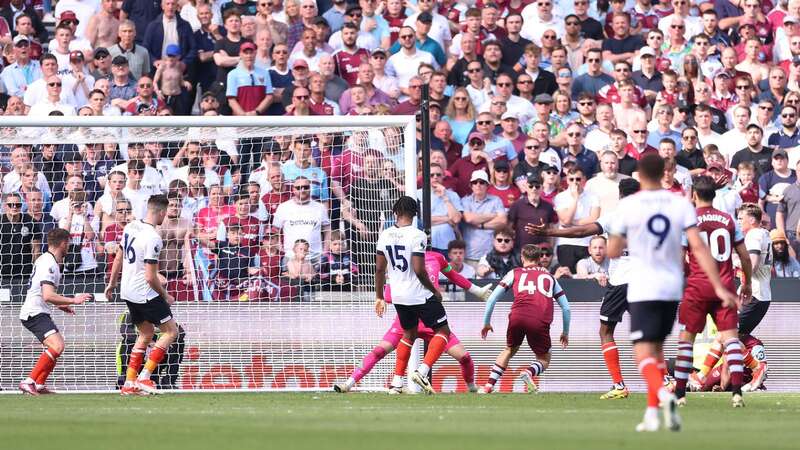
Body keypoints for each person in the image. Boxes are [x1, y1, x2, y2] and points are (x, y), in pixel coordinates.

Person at [606, 154, 737, 432]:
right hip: (671, 286)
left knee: (642, 354)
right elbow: (699, 249)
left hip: (642, 284)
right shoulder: (680, 204)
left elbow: (614, 251)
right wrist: (718, 286)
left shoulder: (629, 206)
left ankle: (666, 398)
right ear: (665, 172)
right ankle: (652, 414)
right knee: (657, 349)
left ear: (640, 175)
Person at [526, 178, 641, 400]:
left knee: (606, 331)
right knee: (647, 334)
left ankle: (619, 385)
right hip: (644, 282)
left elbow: (581, 232)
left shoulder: (615, 216)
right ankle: (667, 380)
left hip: (620, 282)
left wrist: (550, 231)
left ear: (620, 195)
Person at [334, 249, 491, 393]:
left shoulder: (437, 258)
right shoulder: (400, 263)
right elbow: (389, 295)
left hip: (430, 321)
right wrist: (381, 297)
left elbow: (453, 276)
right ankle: (348, 383)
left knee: (464, 357)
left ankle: (472, 388)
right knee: (379, 351)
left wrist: (476, 290)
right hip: (406, 320)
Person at [672, 175, 753, 409]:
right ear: (714, 195)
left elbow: (679, 258)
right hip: (725, 286)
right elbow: (745, 257)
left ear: (694, 195)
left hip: (697, 286)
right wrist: (746, 282)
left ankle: (680, 394)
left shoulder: (688, 220)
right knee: (731, 340)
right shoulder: (728, 220)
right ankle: (737, 393)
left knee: (686, 340)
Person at [105, 195, 180, 396]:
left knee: (146, 334)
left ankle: (129, 382)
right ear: (162, 212)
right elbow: (150, 277)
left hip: (127, 291)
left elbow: (119, 256)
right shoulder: (153, 237)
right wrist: (165, 295)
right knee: (171, 332)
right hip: (144, 293)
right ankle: (145, 376)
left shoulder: (130, 227)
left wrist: (112, 284)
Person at [375, 196, 449, 395]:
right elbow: (419, 270)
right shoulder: (418, 235)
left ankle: (396, 384)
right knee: (443, 331)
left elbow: (380, 269)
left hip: (398, 295)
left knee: (409, 334)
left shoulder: (385, 234)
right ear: (415, 214)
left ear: (395, 212)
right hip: (419, 294)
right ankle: (423, 371)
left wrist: (379, 296)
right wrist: (434, 290)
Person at [480, 244, 571, 393]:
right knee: (544, 359)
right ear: (539, 259)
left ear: (522, 258)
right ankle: (528, 372)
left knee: (509, 349)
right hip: (540, 320)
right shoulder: (550, 277)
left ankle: (488, 386)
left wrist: (486, 323)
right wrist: (565, 332)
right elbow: (566, 308)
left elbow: (491, 299)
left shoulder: (514, 273)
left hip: (517, 316)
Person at [18, 228, 92, 395]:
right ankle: (29, 381)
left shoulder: (47, 259)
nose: (69, 248)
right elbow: (47, 295)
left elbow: (42, 291)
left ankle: (39, 385)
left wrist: (61, 305)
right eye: (69, 244)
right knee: (57, 345)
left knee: (56, 347)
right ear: (63, 243)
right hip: (34, 312)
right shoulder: (49, 263)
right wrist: (74, 299)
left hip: (37, 311)